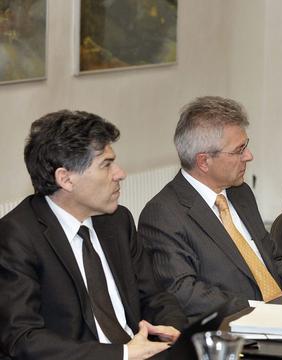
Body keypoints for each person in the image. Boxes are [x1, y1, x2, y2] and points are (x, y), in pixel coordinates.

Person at [0, 111, 187, 360]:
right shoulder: (16, 237)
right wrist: (122, 354)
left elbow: (154, 296)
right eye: (106, 164)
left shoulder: (117, 221)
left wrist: (171, 327)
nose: (120, 173)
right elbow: (23, 338)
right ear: (65, 179)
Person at [138, 96, 282, 323]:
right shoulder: (163, 215)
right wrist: (260, 309)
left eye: (246, 145)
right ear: (204, 161)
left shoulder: (240, 192)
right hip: (232, 328)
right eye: (239, 150)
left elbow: (273, 257)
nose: (249, 156)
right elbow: (184, 292)